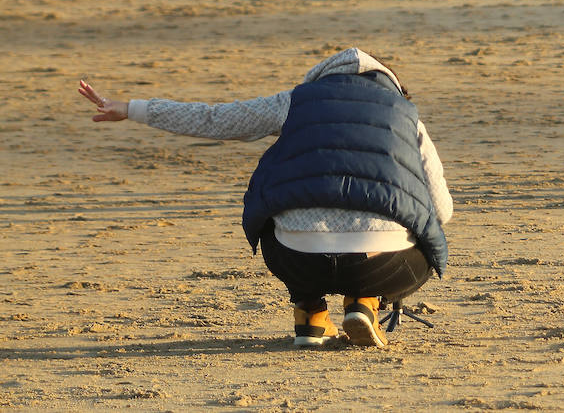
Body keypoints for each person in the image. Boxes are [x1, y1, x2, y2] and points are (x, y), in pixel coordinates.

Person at [77, 47, 452, 349]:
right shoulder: (408, 115)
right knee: (422, 228)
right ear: (391, 86)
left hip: (298, 257)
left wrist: (131, 109)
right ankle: (366, 302)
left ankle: (309, 316)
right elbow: (443, 210)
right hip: (381, 263)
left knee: (279, 209)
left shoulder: (294, 102)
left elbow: (215, 119)